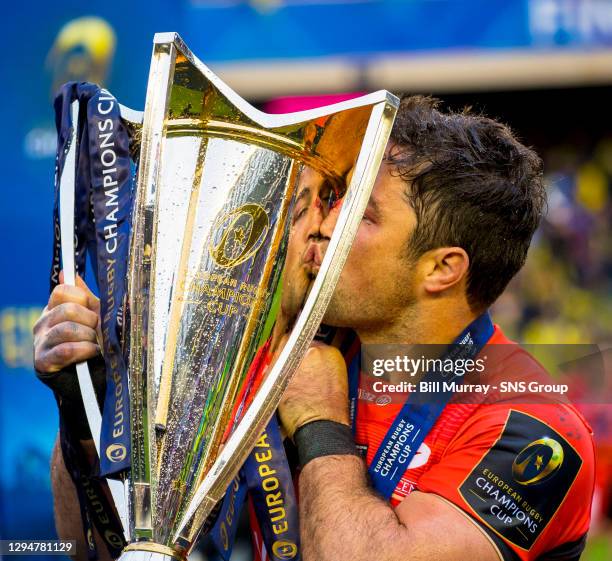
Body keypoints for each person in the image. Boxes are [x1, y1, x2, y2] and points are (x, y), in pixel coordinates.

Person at [34, 95, 595, 561]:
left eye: (363, 215)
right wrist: (91, 400)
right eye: (333, 198)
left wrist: (321, 426)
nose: (324, 225)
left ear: (442, 269)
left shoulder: (532, 428)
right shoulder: (272, 350)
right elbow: (96, 548)